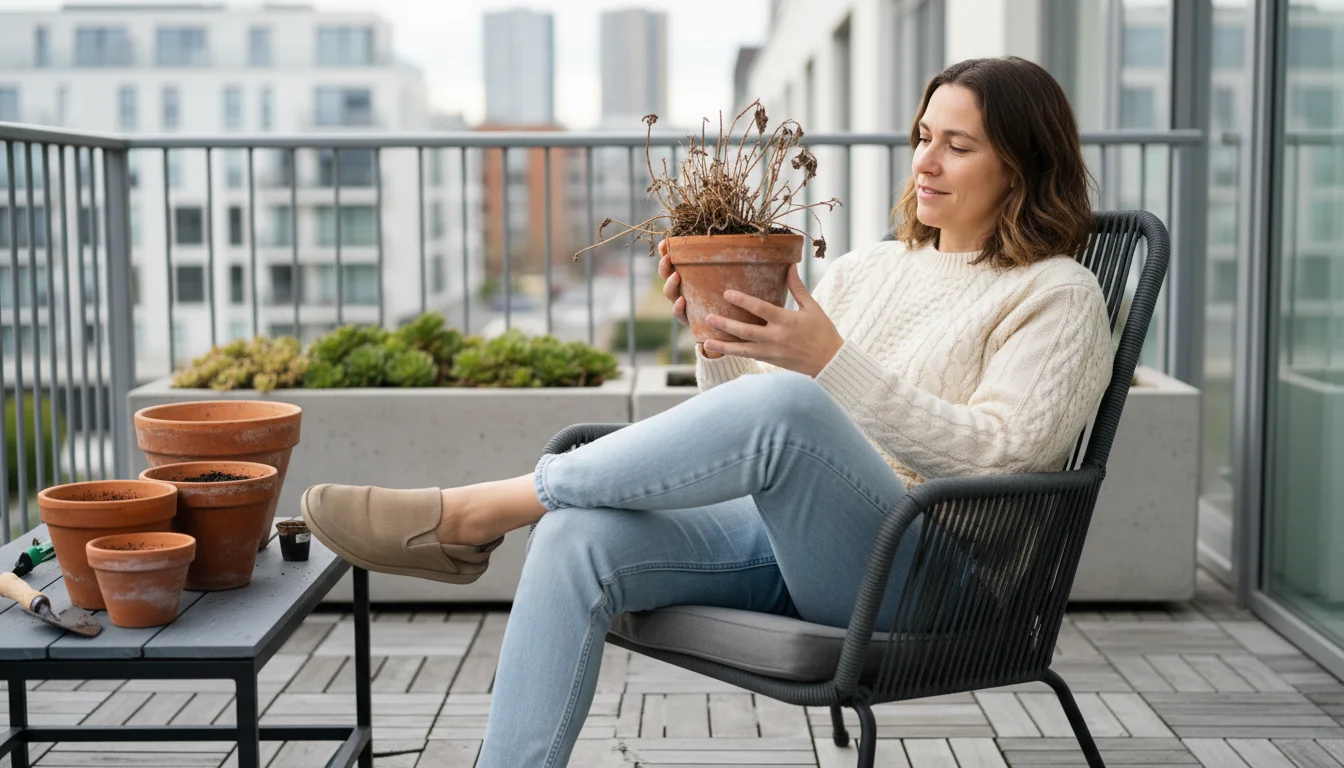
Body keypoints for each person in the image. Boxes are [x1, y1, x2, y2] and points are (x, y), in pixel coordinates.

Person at [300, 55, 1114, 767]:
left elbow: (1007, 459)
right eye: (921, 137)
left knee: (794, 401)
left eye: (957, 145)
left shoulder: (1058, 294)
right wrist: (713, 336)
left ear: (1023, 165)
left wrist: (829, 364)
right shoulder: (874, 269)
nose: (925, 162)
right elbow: (750, 427)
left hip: (935, 578)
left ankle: (475, 512)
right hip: (806, 546)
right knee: (576, 535)